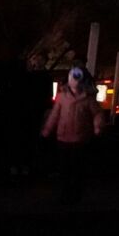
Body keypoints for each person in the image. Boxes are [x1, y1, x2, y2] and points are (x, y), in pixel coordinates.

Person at [40, 66, 104, 204]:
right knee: (65, 169)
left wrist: (97, 126)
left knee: (77, 169)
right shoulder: (62, 97)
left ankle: (74, 194)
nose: (74, 81)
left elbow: (97, 114)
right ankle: (65, 194)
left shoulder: (88, 99)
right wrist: (47, 129)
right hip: (63, 138)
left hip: (80, 139)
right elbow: (55, 115)